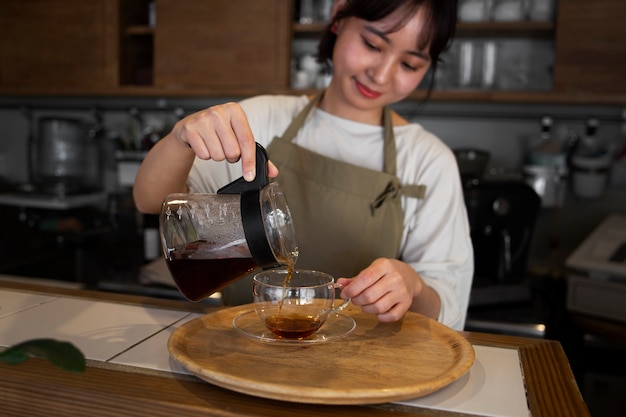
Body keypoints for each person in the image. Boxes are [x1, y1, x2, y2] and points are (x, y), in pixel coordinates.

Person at [133, 0, 473, 331]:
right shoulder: (261, 119)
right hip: (243, 352)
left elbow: (448, 309)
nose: (381, 75)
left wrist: (412, 286)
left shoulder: (428, 160)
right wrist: (181, 139)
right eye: (372, 44)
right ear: (338, 16)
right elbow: (152, 201)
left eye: (410, 65)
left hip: (362, 373)